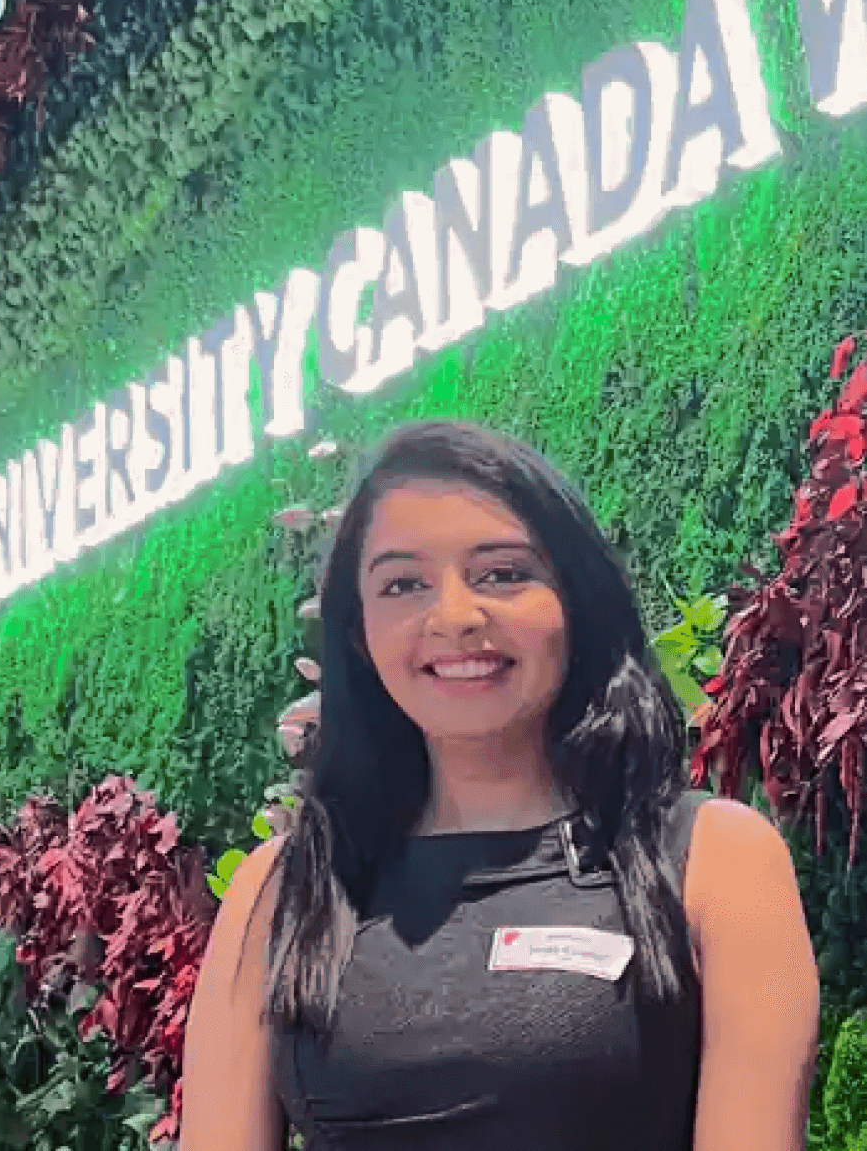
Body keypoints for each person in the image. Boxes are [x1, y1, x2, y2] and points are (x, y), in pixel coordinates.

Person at [180, 421, 820, 1150]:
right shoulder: (282, 892)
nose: (454, 618)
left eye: (503, 574)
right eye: (403, 584)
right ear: (359, 632)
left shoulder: (716, 863)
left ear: (575, 602)